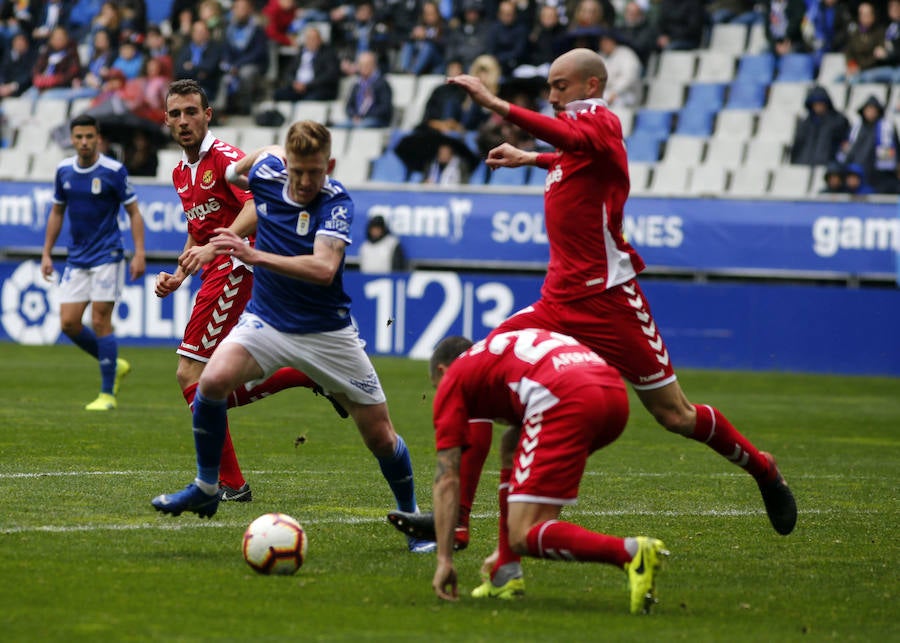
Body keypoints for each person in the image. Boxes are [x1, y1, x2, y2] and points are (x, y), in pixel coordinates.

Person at [389, 48, 797, 593]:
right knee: (476, 372)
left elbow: (578, 142)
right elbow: (569, 157)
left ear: (592, 85)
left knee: (674, 415)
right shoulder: (573, 143)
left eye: (560, 86)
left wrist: (496, 104)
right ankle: (460, 525)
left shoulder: (601, 122)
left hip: (610, 302)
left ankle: (763, 468)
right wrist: (528, 158)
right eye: (549, 87)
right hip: (557, 303)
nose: (552, 96)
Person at [151, 120, 436, 554]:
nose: (304, 182)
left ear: (330, 166)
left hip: (327, 333)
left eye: (314, 172)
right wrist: (268, 150)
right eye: (297, 171)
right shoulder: (268, 173)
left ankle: (413, 517)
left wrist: (254, 255)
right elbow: (234, 173)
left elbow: (323, 269)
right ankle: (208, 486)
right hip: (267, 321)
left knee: (380, 435)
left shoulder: (335, 200)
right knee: (208, 381)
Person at [154, 79, 344, 503]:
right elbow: (199, 229)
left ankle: (230, 482)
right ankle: (304, 373)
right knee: (211, 383)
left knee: (190, 373)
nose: (184, 121)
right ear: (165, 120)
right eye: (176, 114)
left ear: (208, 115)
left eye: (191, 112)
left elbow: (257, 204)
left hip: (237, 266)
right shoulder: (180, 172)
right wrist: (179, 274)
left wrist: (215, 247)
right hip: (216, 267)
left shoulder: (224, 158)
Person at [429, 329, 668, 613]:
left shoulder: (453, 379)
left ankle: (630, 553)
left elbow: (447, 477)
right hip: (613, 393)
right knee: (512, 443)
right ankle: (506, 571)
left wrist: (444, 560)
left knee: (523, 533)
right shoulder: (497, 350)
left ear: (442, 371)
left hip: (566, 399)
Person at [40, 113, 145, 411]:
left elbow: (134, 212)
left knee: (100, 320)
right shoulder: (64, 171)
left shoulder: (114, 170)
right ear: (71, 139)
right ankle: (114, 363)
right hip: (77, 257)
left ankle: (107, 395)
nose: (84, 142)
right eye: (79, 137)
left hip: (107, 255)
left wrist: (139, 252)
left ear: (98, 138)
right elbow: (57, 212)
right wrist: (47, 252)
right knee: (69, 323)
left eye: (89, 136)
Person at [837, 94, 899, 194]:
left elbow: (893, 155)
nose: (871, 112)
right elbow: (847, 150)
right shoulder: (856, 129)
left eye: (873, 110)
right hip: (858, 175)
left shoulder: (887, 129)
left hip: (879, 177)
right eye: (868, 109)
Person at [273, 25, 341, 102]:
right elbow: (289, 72)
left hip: (317, 88)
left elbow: (330, 75)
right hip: (297, 87)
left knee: (310, 99)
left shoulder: (328, 53)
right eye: (309, 39)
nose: (311, 41)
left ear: (320, 40)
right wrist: (294, 83)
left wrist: (307, 85)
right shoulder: (301, 53)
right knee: (278, 94)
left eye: (314, 39)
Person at [789, 85, 850, 166]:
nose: (818, 106)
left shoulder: (838, 120)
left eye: (821, 103)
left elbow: (845, 142)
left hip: (829, 166)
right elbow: (798, 146)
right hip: (804, 164)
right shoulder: (805, 123)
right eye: (815, 103)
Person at [335, 50, 393, 129]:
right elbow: (349, 106)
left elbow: (385, 108)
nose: (363, 67)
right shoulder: (357, 85)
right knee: (339, 127)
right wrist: (354, 116)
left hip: (377, 120)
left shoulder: (382, 84)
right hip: (357, 119)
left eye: (367, 65)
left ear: (374, 65)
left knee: (361, 127)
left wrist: (364, 116)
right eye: (361, 65)